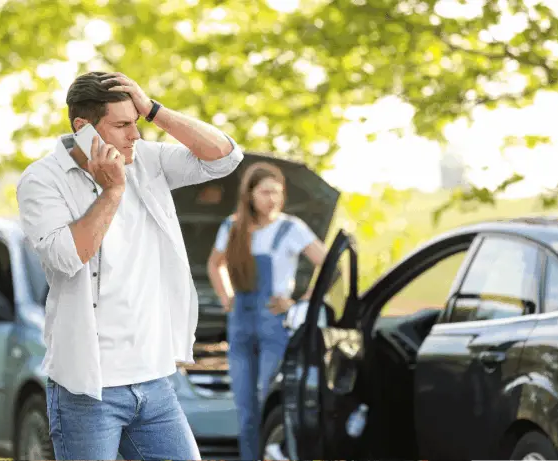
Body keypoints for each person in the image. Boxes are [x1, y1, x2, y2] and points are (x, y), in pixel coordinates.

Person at [16, 71, 243, 460]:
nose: (134, 135)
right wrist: (113, 191)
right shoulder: (41, 180)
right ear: (83, 128)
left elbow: (224, 158)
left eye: (135, 123)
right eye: (122, 125)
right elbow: (66, 256)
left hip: (154, 382)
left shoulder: (148, 160)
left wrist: (155, 111)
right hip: (87, 389)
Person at [206, 161, 328, 460]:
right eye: (265, 192)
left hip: (275, 325)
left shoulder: (290, 228)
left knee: (267, 400)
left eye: (277, 192)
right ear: (250, 195)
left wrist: (300, 302)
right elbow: (214, 264)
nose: (272, 199)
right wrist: (227, 297)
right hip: (240, 326)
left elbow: (328, 263)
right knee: (245, 408)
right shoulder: (232, 226)